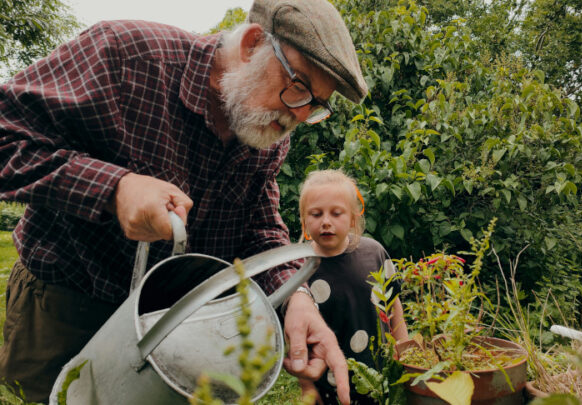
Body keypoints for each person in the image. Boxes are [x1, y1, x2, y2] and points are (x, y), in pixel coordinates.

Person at [0, 0, 369, 402]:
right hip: (65, 308)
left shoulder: (268, 126)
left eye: (316, 105)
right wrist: (114, 188)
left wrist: (294, 298)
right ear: (251, 44)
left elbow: (258, 227)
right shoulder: (127, 56)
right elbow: (8, 136)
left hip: (172, 326)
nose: (299, 114)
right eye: (299, 86)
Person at [296, 169, 409, 404]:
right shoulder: (299, 268)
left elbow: (393, 305)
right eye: (316, 214)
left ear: (353, 218)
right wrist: (306, 386)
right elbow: (297, 336)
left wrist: (404, 351)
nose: (326, 221)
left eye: (336, 213)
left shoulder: (374, 253)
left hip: (380, 375)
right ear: (304, 220)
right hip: (328, 384)